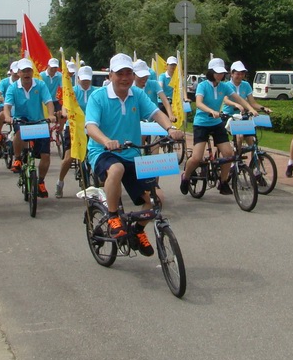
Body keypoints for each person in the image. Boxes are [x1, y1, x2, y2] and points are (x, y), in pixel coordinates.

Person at [84, 53, 183, 255]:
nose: (125, 78)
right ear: (110, 75)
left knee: (157, 199)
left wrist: (170, 128)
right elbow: (90, 126)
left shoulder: (136, 94)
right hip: (103, 152)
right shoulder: (98, 97)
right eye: (120, 73)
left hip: (132, 154)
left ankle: (137, 230)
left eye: (128, 73)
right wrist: (106, 141)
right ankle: (113, 216)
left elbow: (156, 113)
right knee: (116, 168)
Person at [179, 58, 249, 196]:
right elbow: (198, 103)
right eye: (217, 72)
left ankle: (223, 182)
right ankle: (186, 176)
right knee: (196, 158)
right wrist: (211, 111)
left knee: (228, 154)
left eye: (222, 73)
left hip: (216, 123)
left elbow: (238, 98)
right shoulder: (203, 85)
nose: (220, 75)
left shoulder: (224, 86)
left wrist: (250, 109)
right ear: (210, 72)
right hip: (201, 123)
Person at [3, 58, 56, 198]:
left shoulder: (40, 85)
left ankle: (41, 182)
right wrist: (7, 117)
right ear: (18, 73)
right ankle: (17, 158)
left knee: (45, 155)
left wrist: (51, 115)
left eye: (29, 71)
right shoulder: (13, 87)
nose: (26, 74)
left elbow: (49, 102)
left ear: (32, 72)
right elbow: (7, 106)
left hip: (39, 122)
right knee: (19, 131)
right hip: (22, 120)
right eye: (23, 71)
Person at [56, 64, 95, 197]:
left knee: (94, 153)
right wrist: (65, 113)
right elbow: (65, 106)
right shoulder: (72, 91)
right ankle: (60, 182)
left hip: (90, 127)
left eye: (87, 79)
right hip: (73, 126)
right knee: (69, 157)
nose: (85, 82)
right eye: (83, 79)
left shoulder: (96, 92)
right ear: (78, 79)